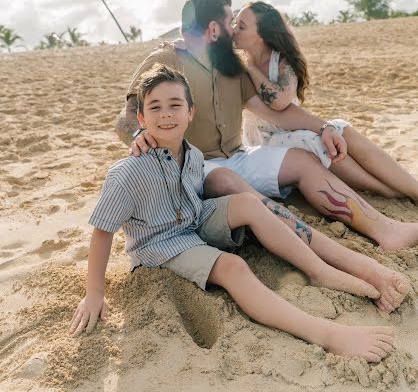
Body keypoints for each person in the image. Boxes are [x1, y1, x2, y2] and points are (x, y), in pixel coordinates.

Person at [72, 63, 406, 362]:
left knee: (249, 202)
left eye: (175, 105)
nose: (166, 115)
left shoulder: (193, 155)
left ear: (191, 113)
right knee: (233, 266)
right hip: (160, 245)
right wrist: (94, 295)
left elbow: (196, 198)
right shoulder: (126, 172)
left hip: (193, 220)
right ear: (141, 119)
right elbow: (102, 233)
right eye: (155, 108)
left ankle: (318, 270)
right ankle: (326, 334)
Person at [116, 0, 418, 250]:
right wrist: (135, 135)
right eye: (229, 21)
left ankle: (385, 230)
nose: (233, 28)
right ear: (213, 29)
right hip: (194, 166)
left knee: (302, 160)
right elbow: (126, 118)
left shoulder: (232, 66)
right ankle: (310, 242)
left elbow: (278, 112)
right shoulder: (164, 60)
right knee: (225, 179)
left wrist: (324, 127)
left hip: (238, 155)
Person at [234, 1, 418, 202]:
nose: (233, 30)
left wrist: (251, 67)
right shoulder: (240, 70)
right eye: (235, 23)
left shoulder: (282, 61)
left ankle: (412, 188)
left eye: (241, 26)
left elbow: (281, 100)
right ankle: (387, 190)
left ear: (261, 35)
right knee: (313, 140)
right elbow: (277, 106)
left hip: (293, 129)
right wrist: (250, 68)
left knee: (340, 127)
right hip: (264, 143)